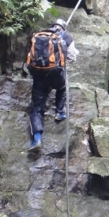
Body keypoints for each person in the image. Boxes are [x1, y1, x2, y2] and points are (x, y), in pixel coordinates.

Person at [27, 19, 77, 152]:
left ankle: (37, 139)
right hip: (54, 73)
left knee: (36, 108)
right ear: (64, 28)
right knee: (62, 87)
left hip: (38, 74)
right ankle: (59, 112)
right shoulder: (66, 36)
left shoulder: (40, 35)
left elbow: (30, 56)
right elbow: (72, 56)